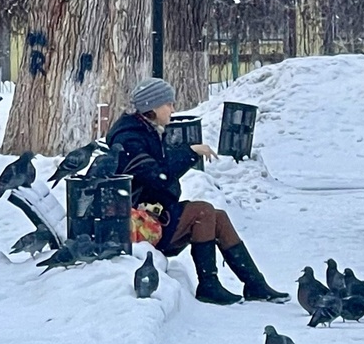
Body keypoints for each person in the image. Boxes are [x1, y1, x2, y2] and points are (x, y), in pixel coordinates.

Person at [106, 78, 288, 305]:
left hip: (154, 213)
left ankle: (255, 284)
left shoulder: (145, 130)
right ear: (151, 107)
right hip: (141, 224)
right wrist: (190, 151)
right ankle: (208, 284)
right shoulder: (130, 139)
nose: (173, 109)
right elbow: (157, 177)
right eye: (168, 104)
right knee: (202, 211)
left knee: (218, 217)